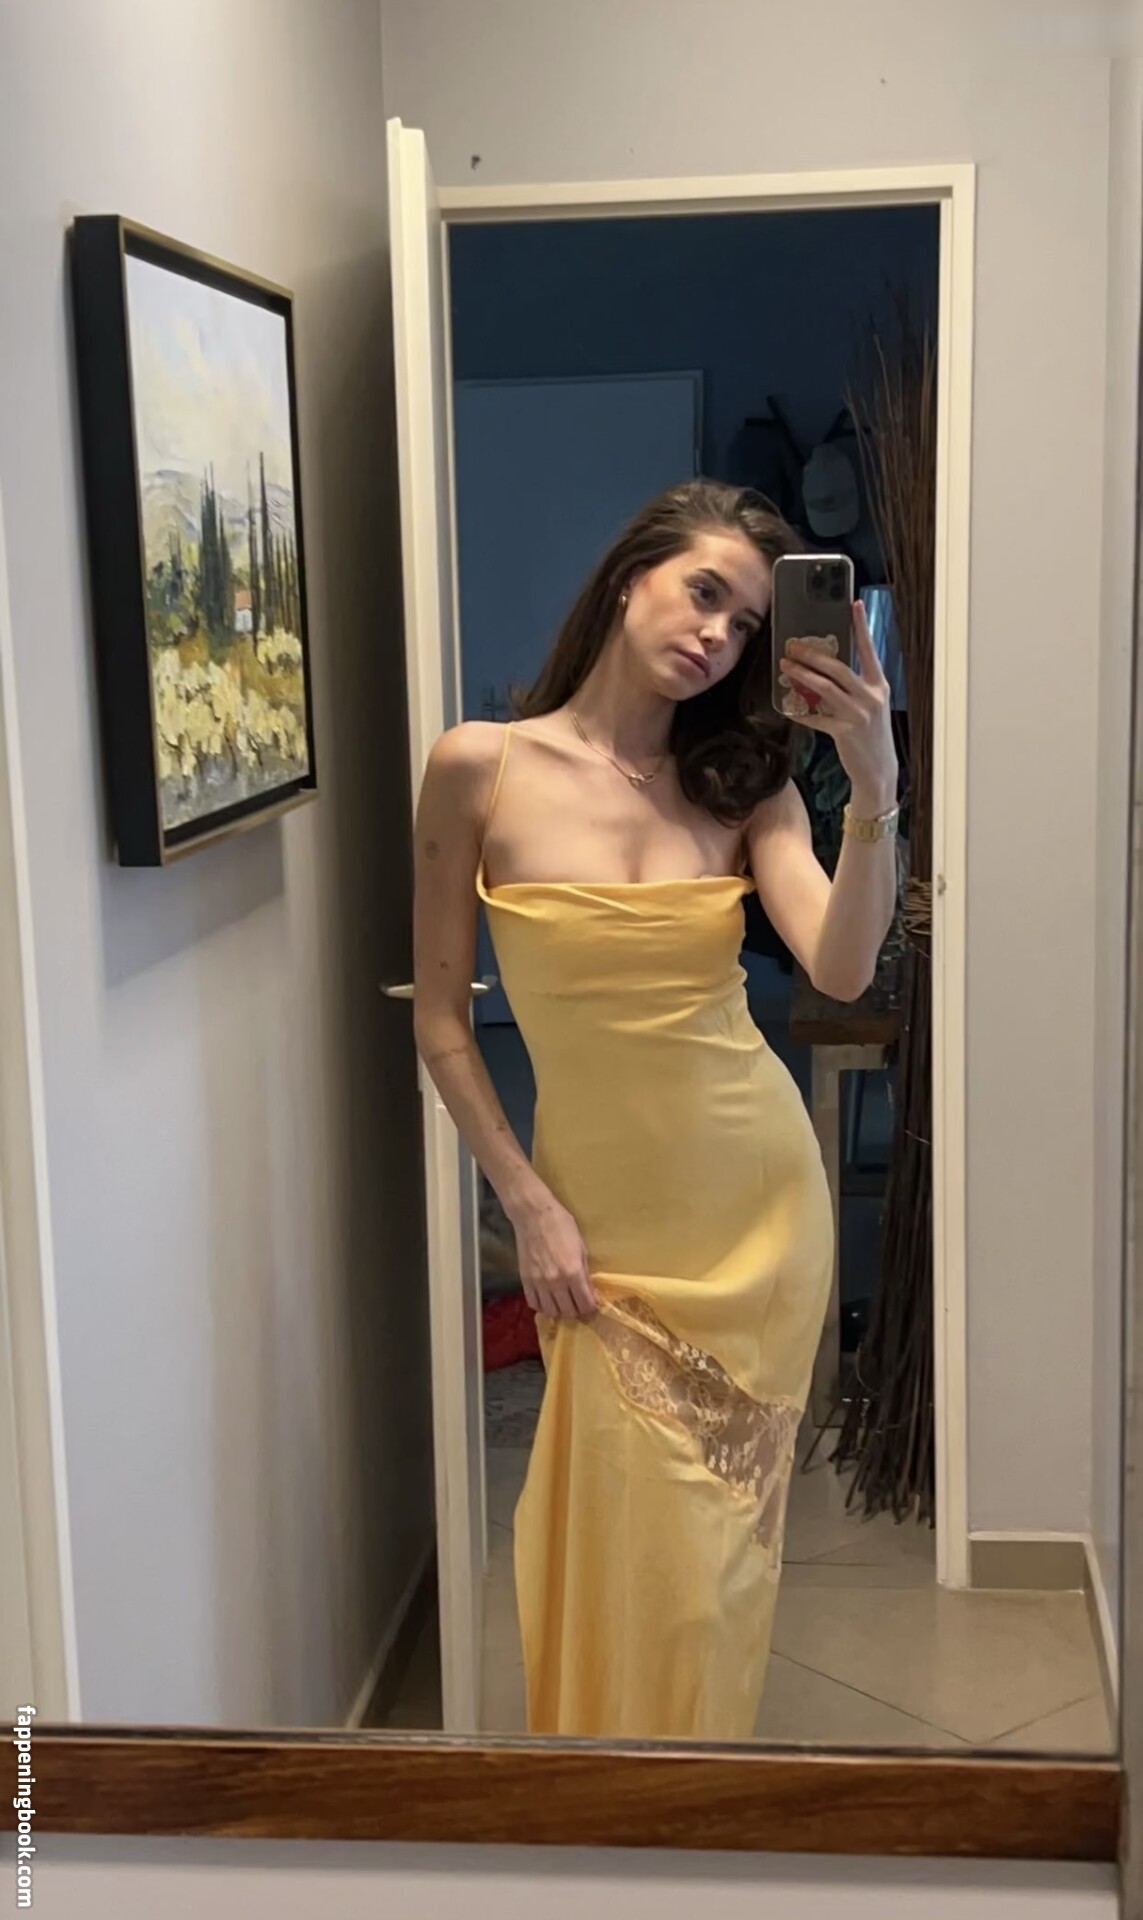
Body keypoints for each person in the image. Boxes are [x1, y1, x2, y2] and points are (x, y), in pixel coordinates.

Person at [413, 479, 899, 1739]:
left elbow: (842, 967)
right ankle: (602, 1799)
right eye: (704, 594)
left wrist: (874, 782)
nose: (718, 636)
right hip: (597, 1227)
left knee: (714, 1578)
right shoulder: (478, 767)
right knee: (614, 1539)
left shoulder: (745, 788)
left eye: (746, 625)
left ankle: (690, 1806)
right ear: (633, 577)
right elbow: (441, 1021)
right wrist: (526, 1204)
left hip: (756, 1215)